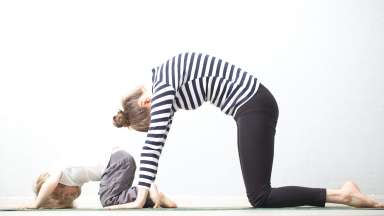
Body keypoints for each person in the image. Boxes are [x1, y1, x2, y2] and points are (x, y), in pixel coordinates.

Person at [111, 52, 384, 209]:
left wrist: (140, 197)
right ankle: (343, 192)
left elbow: (154, 143)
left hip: (253, 104)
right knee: (260, 194)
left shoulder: (164, 87)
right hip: (253, 104)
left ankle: (343, 194)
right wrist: (150, 193)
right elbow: (160, 138)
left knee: (260, 195)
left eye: (151, 119)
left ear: (147, 103)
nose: (160, 119)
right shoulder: (165, 79)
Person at [18, 149, 177, 209]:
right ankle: (154, 199)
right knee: (116, 198)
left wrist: (36, 204)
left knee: (107, 200)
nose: (72, 196)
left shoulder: (57, 173)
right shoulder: (70, 175)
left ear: (57, 187)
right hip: (119, 162)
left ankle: (147, 192)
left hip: (117, 162)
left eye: (65, 195)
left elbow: (49, 184)